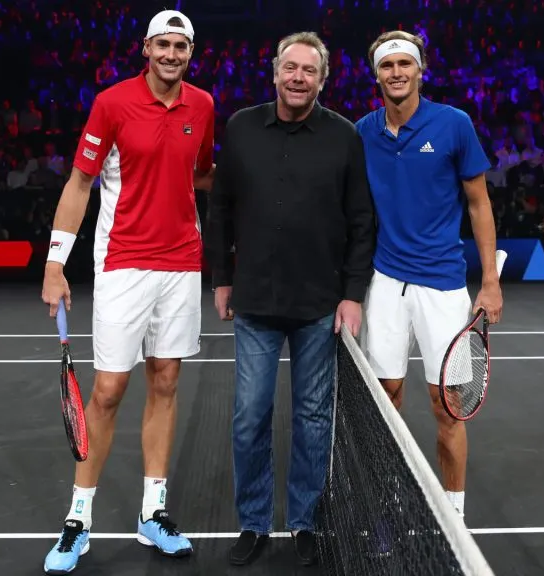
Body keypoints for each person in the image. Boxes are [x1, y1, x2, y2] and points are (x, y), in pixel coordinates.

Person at [40, 9, 216, 574]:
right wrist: (54, 264)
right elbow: (80, 183)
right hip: (122, 263)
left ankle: (152, 513)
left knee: (165, 381)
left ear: (191, 51)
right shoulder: (112, 104)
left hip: (182, 265)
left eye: (180, 46)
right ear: (145, 48)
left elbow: (203, 173)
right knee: (109, 390)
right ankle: (79, 520)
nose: (171, 54)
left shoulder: (205, 106)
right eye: (162, 45)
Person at [205, 31, 376, 567]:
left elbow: (361, 222)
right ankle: (254, 522)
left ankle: (304, 521)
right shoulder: (240, 128)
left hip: (319, 303)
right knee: (249, 417)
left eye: (309, 70)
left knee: (312, 418)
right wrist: (221, 279)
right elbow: (221, 212)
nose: (298, 77)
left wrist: (352, 295)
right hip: (254, 299)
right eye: (290, 68)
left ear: (323, 80)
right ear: (275, 72)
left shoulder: (345, 136)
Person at [354, 30, 503, 521]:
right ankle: (389, 493)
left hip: (441, 284)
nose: (396, 73)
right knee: (387, 397)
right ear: (375, 74)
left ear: (420, 70)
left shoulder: (454, 124)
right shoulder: (362, 132)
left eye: (405, 64)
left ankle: (453, 512)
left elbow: (479, 203)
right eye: (387, 65)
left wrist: (489, 282)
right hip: (384, 284)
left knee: (447, 405)